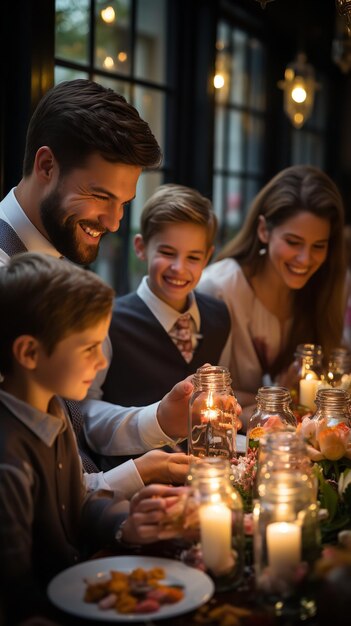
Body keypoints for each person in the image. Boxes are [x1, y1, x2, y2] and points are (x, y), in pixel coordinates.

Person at [0, 78, 195, 494]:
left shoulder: (60, 253)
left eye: (123, 203)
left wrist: (160, 419)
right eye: (99, 195)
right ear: (46, 165)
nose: (113, 222)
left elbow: (72, 414)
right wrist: (134, 480)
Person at [0, 252, 187, 624]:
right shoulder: (9, 460)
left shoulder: (52, 410)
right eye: (89, 349)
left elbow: (77, 498)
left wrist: (126, 523)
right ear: (29, 352)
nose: (101, 363)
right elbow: (15, 592)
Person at [197, 165, 346, 426]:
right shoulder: (219, 288)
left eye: (318, 246)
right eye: (293, 242)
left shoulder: (325, 287)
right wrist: (280, 395)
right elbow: (201, 394)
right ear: (264, 230)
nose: (305, 259)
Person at [97, 184, 232, 468]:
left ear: (207, 257)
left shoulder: (219, 317)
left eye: (193, 257)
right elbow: (84, 412)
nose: (179, 268)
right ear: (141, 247)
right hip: (131, 477)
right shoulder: (107, 321)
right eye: (168, 253)